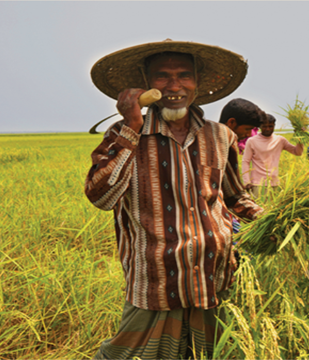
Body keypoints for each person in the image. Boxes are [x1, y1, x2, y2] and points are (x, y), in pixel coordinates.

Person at [85, 40, 266, 360]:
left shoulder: (221, 136)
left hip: (214, 277)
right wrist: (132, 126)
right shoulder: (122, 135)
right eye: (162, 77)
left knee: (211, 354)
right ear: (145, 82)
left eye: (184, 75)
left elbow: (235, 196)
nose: (174, 85)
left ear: (197, 82)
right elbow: (102, 196)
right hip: (156, 282)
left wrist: (270, 218)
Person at [242, 114, 304, 198]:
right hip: (257, 184)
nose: (268, 129)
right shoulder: (252, 141)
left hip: (274, 183)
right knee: (259, 209)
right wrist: (247, 181)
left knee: (272, 209)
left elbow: (297, 152)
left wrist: (300, 137)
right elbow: (245, 161)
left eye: (270, 126)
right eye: (264, 126)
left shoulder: (280, 140)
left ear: (274, 126)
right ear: (260, 126)